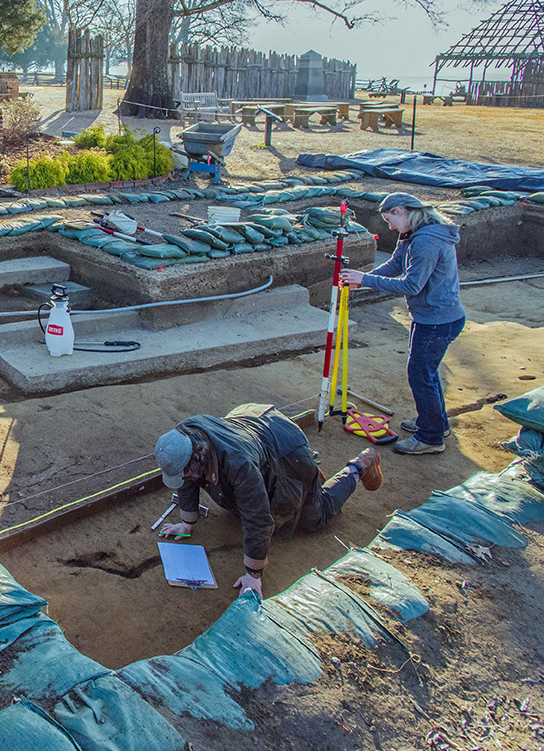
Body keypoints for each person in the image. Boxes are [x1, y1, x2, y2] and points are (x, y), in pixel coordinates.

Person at [154, 403, 383, 599]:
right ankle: (309, 478)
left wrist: (253, 575)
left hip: (285, 447)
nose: (184, 479)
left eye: (185, 473)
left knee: (315, 517)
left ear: (196, 458)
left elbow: (259, 519)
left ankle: (358, 466)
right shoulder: (183, 439)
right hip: (256, 424)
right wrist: (186, 523)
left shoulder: (239, 464)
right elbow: (186, 480)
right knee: (236, 503)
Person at [339, 192, 464, 456]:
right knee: (426, 372)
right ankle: (435, 423)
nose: (390, 227)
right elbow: (396, 264)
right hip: (431, 316)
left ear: (400, 211)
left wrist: (365, 280)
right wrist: (362, 279)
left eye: (389, 220)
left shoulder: (426, 241)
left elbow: (411, 284)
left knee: (420, 374)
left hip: (438, 320)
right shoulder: (414, 233)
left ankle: (430, 437)